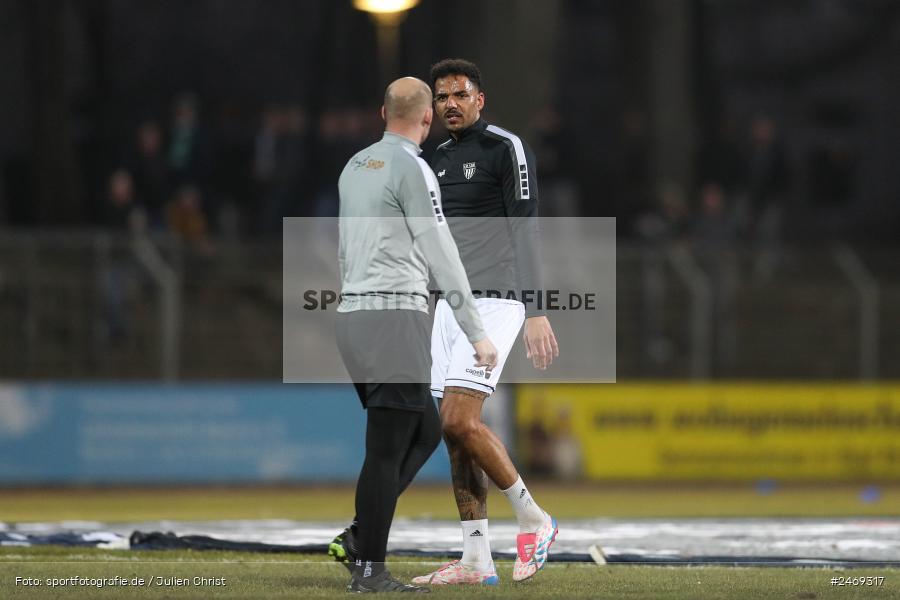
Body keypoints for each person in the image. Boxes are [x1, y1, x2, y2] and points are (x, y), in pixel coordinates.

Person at [332, 76, 498, 593]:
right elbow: (440, 252)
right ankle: (369, 570)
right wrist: (477, 331)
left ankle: (361, 537)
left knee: (424, 429)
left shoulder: (356, 165)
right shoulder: (414, 168)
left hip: (353, 318)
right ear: (428, 118)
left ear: (383, 114)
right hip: (393, 320)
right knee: (385, 450)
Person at [411, 58, 559, 585]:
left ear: (480, 98)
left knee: (458, 420)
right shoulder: (434, 158)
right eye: (441, 97)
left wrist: (536, 310)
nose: (450, 103)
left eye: (460, 94)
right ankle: (476, 559)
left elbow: (526, 230)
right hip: (449, 307)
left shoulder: (505, 148)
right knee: (454, 436)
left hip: (496, 301)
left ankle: (535, 519)